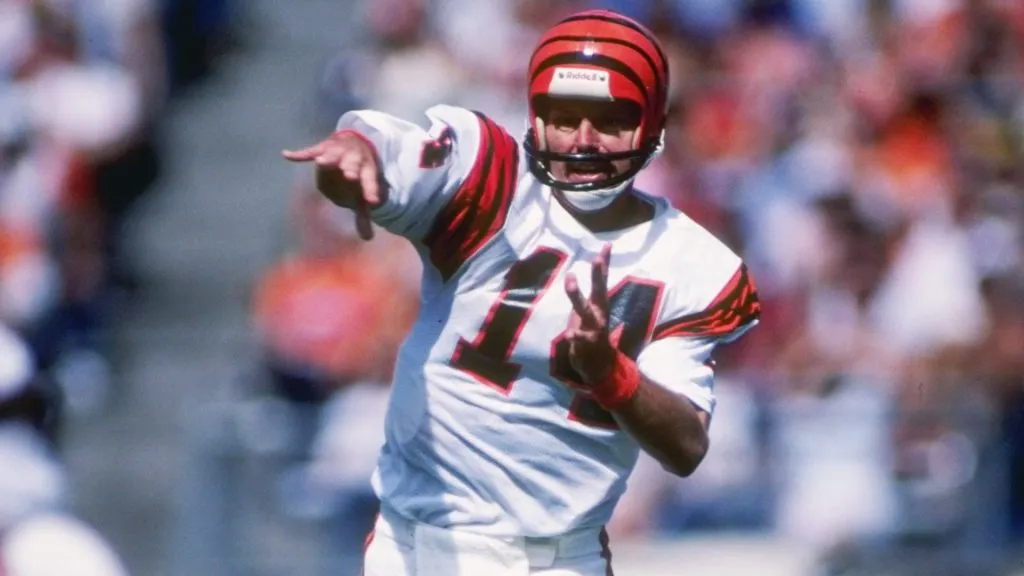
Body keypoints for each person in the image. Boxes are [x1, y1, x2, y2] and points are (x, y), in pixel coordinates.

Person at [282, 9, 761, 575]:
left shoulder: (692, 263)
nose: (583, 141)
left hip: (561, 559)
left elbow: (685, 447)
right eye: (564, 117)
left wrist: (612, 375)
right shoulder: (489, 179)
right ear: (535, 119)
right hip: (425, 548)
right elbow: (385, 148)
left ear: (652, 124)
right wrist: (351, 159)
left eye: (608, 120)